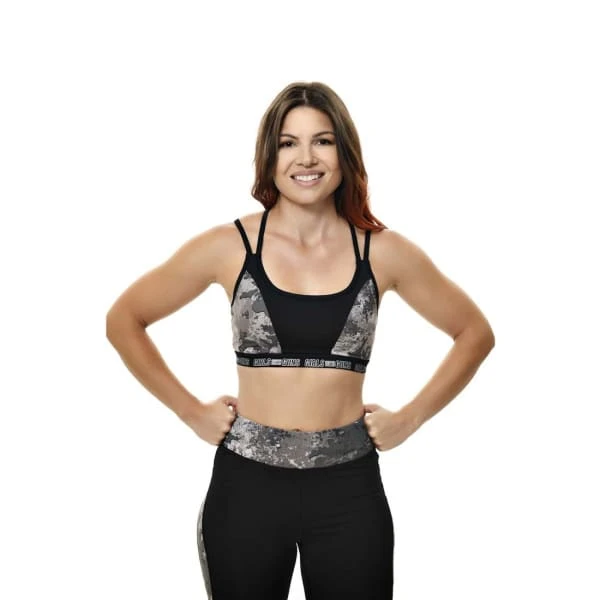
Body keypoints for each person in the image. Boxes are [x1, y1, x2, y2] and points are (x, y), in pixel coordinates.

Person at [106, 81, 495, 600]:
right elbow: (124, 319)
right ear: (269, 156)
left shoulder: (384, 252)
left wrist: (411, 418)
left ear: (344, 152)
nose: (305, 158)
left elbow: (474, 333)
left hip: (348, 491)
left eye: (323, 141)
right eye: (288, 143)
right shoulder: (229, 246)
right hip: (246, 489)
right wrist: (189, 411)